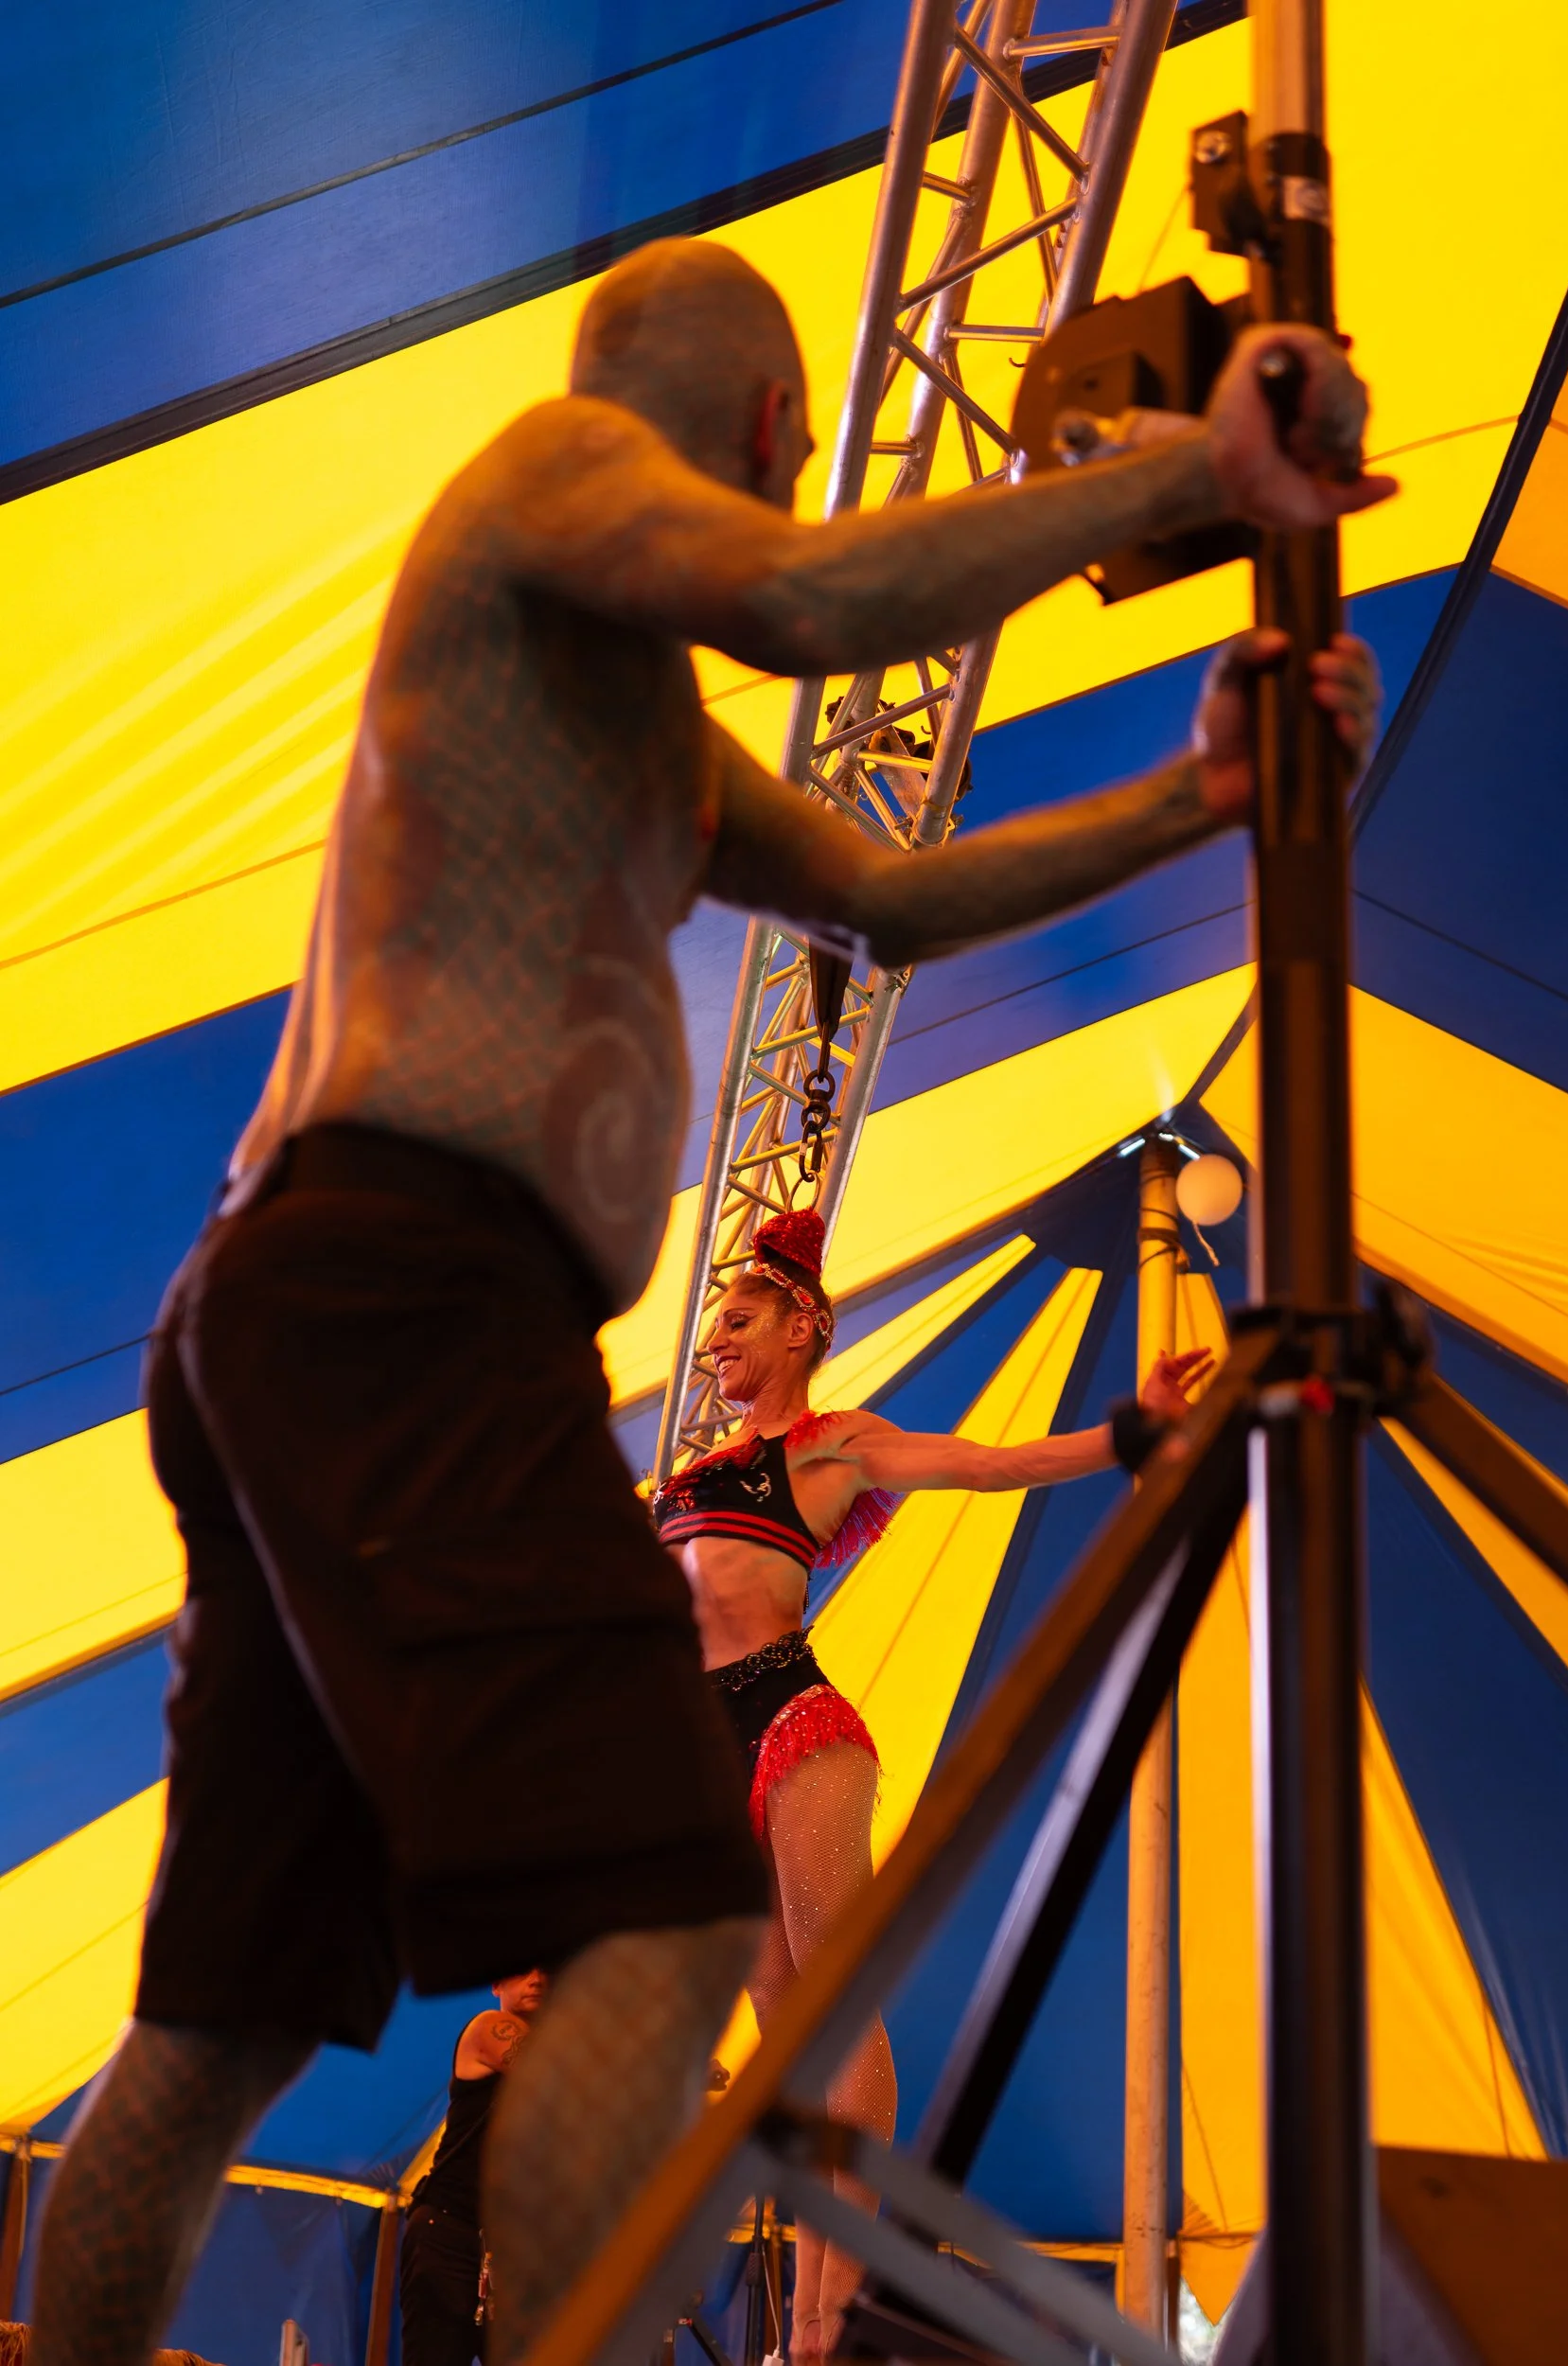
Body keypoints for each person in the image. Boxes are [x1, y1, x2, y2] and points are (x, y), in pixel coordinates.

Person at [26, 234, 1391, 2366]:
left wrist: (1191, 797)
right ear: (770, 427)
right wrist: (1176, 476)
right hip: (407, 1285)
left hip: (314, 1311)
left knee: (220, 2017)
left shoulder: (618, 714)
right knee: (661, 1897)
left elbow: (881, 892)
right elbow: (806, 598)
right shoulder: (549, 478)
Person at [650, 1214, 1206, 2359]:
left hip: (793, 1722)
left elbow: (986, 1465)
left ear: (801, 1325)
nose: (716, 1345)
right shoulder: (680, 1480)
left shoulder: (826, 1446)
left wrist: (1127, 1431)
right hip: (700, 1752)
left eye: (739, 1321)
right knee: (778, 2035)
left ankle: (827, 2319)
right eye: (712, 1330)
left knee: (829, 1992)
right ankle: (802, 2325)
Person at [401, 1974, 548, 2366]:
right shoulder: (489, 2027)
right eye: (522, 1968)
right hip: (449, 2234)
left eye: (547, 1968)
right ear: (497, 1982)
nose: (536, 1978)